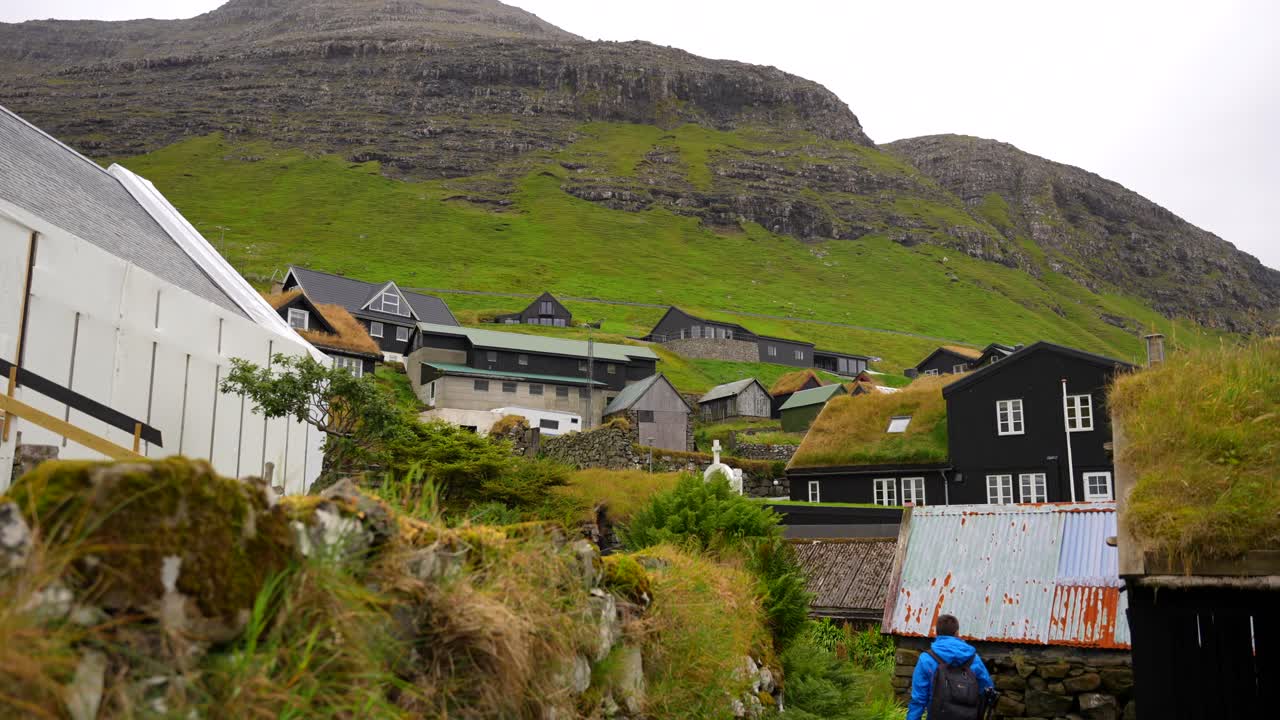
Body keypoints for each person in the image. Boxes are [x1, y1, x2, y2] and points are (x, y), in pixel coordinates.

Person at [906, 614, 994, 720]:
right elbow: (987, 690)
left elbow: (918, 700)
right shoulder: (973, 659)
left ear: (936, 633)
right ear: (957, 633)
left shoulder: (926, 659)